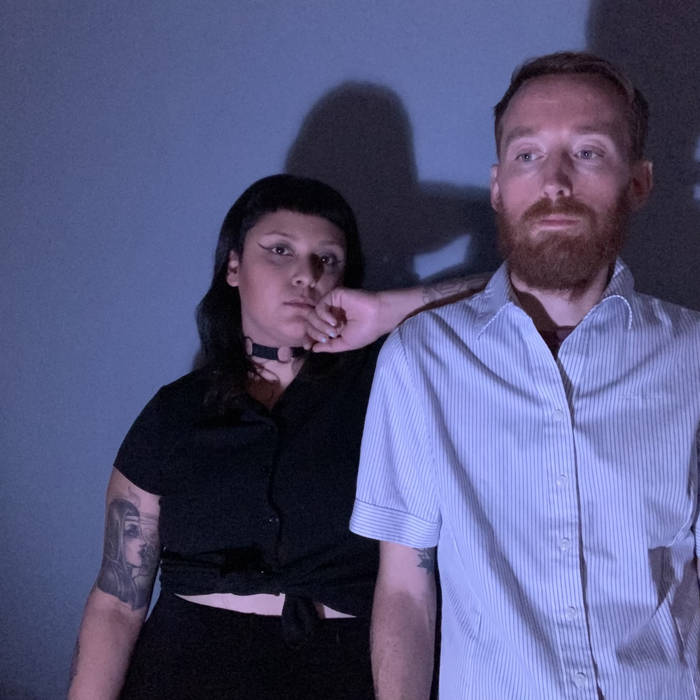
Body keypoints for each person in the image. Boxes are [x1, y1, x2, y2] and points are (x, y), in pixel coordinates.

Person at [349, 52, 700, 699]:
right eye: (528, 155)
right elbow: (405, 589)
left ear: (639, 182)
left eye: (588, 152)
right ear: (497, 185)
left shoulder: (692, 358)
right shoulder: (421, 360)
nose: (555, 182)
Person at [68, 173, 487, 699]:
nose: (306, 274)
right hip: (182, 670)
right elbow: (116, 600)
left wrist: (385, 310)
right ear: (234, 267)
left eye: (327, 258)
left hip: (342, 670)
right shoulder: (175, 412)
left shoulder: (388, 394)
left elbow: (516, 292)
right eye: (279, 250)